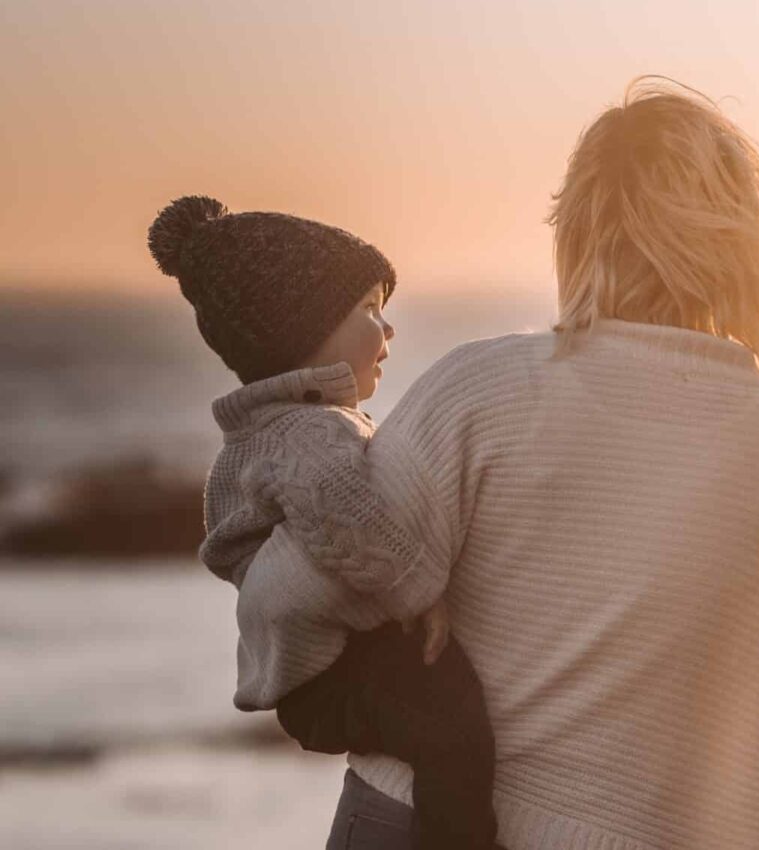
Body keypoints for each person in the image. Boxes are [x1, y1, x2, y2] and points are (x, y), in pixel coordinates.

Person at [330, 78, 759, 849]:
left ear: (581, 228)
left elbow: (331, 579)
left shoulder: (480, 385)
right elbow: (719, 725)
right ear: (743, 240)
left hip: (412, 815)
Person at [146, 196, 500, 850]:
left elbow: (232, 545)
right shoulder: (310, 436)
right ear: (298, 330)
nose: (388, 329)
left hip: (311, 679)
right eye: (368, 309)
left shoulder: (264, 432)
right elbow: (360, 529)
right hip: (335, 678)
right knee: (456, 729)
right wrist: (421, 597)